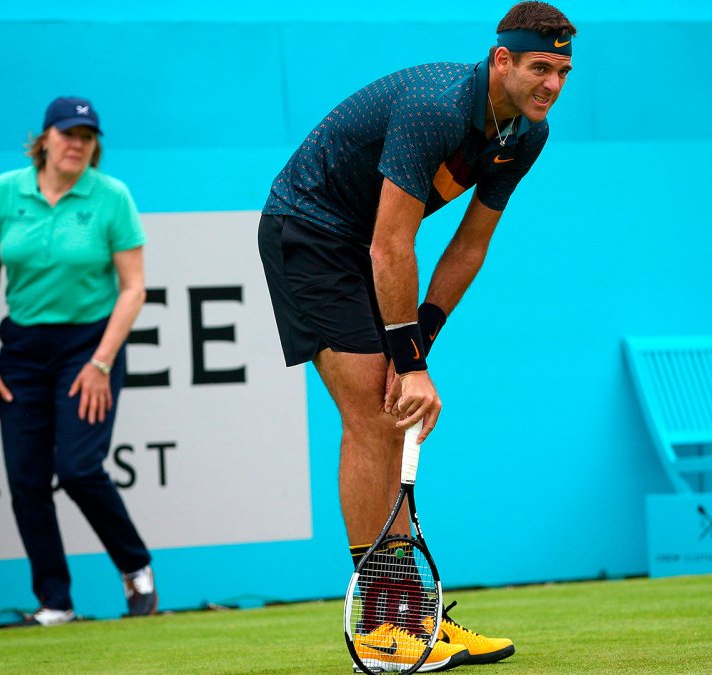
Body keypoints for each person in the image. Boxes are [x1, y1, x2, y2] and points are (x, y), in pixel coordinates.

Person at [258, 1, 575, 670]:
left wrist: (418, 347)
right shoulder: (435, 107)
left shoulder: (527, 135)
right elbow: (390, 243)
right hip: (309, 232)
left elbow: (468, 245)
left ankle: (413, 615)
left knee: (395, 405)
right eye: (539, 67)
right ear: (501, 61)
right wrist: (406, 362)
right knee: (375, 412)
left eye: (563, 71)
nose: (552, 83)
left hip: (364, 246)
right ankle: (381, 626)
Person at [0, 96, 158, 627]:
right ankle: (55, 602)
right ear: (45, 138)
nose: (77, 143)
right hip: (22, 352)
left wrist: (100, 362)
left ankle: (135, 567)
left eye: (87, 135)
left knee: (77, 467)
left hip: (88, 348)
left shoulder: (111, 196)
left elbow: (133, 288)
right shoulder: (6, 191)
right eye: (68, 133)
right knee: (26, 478)